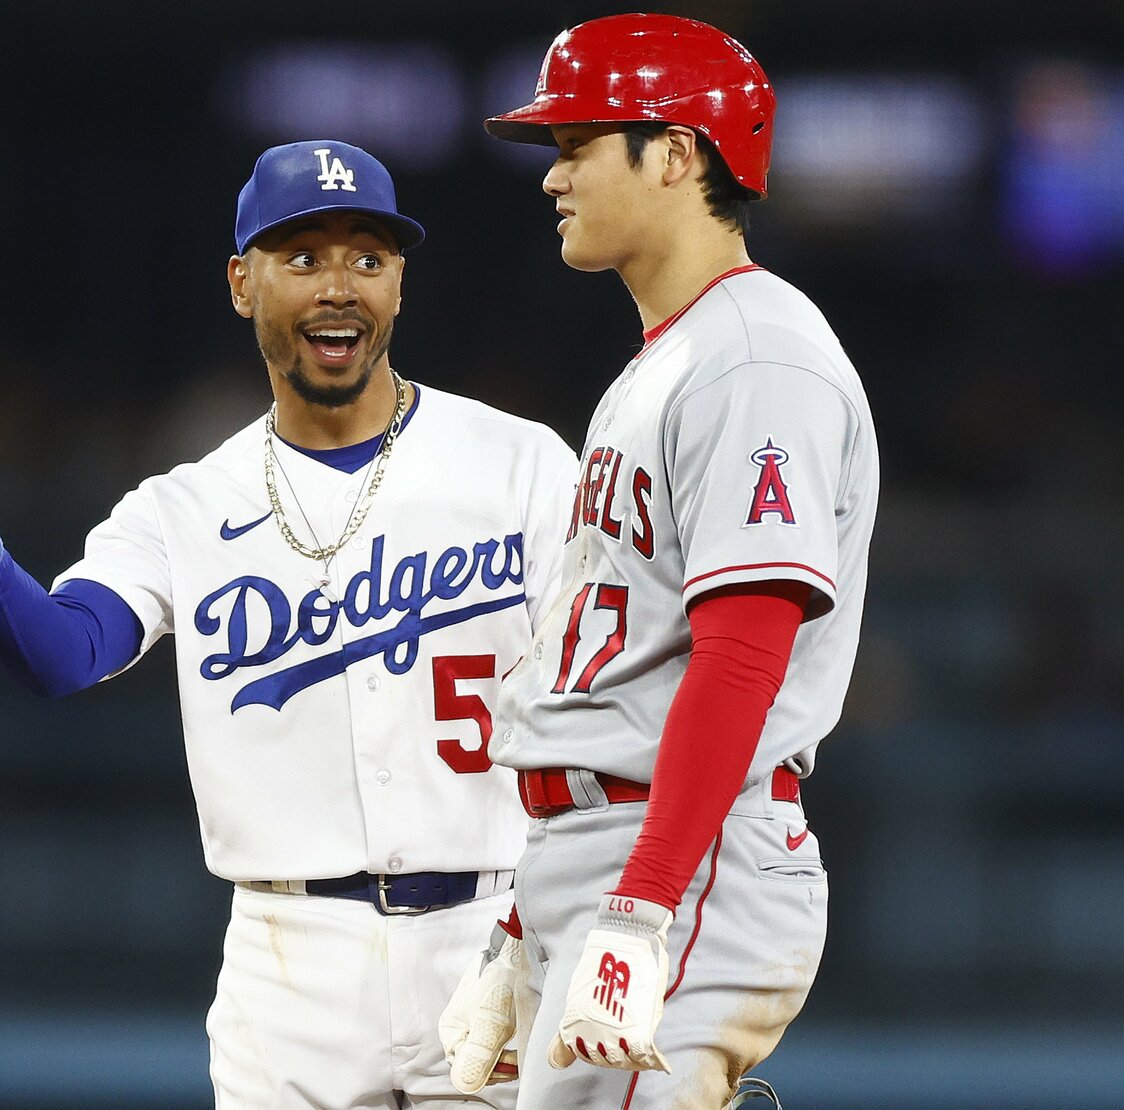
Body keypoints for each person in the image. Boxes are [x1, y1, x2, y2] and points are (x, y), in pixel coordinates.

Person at [0, 139, 576, 1109]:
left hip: (497, 927)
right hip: (292, 966)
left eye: (368, 258)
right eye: (303, 258)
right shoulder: (185, 506)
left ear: (401, 285)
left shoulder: (524, 465)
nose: (339, 286)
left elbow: (613, 694)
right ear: (243, 284)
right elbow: (67, 653)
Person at [438, 15, 879, 1109]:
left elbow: (740, 661)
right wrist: (521, 922)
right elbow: (620, 664)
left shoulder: (756, 357)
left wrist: (639, 907)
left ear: (677, 153)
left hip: (682, 860)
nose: (554, 176)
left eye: (580, 142)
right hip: (601, 850)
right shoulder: (667, 360)